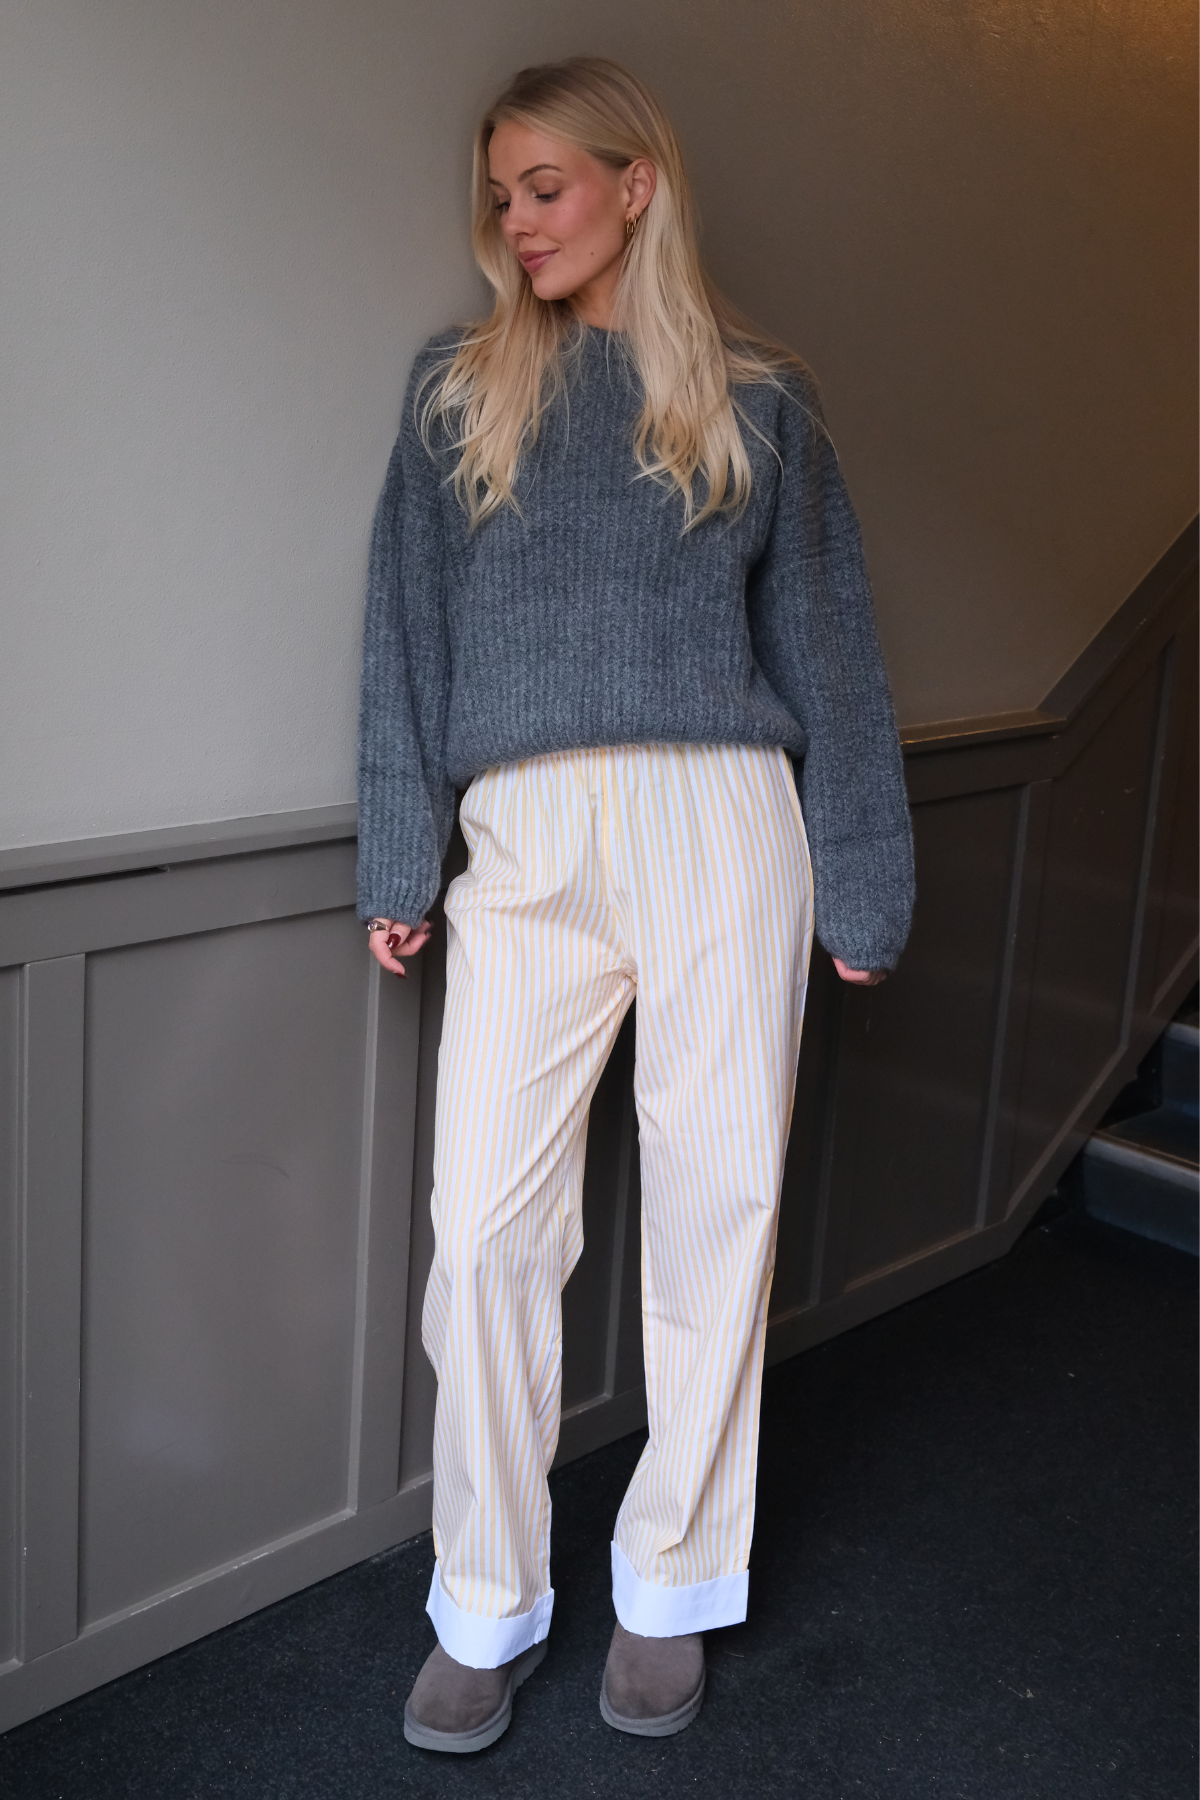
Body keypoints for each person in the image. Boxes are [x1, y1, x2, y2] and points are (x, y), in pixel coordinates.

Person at [356, 55, 914, 1754]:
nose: (518, 222)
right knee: (485, 1233)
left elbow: (830, 648)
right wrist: (400, 854)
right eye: (502, 196)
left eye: (547, 186)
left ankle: (672, 1580)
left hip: (720, 820)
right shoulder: (457, 389)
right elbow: (405, 631)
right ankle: (486, 1599)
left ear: (635, 183)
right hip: (521, 833)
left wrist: (866, 877)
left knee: (717, 1210)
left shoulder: (760, 398)